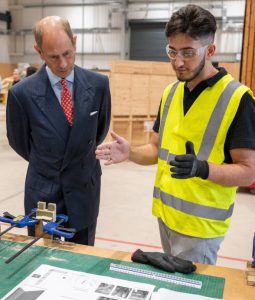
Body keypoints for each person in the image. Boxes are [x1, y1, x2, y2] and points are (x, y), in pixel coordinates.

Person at [96, 4, 255, 264]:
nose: (178, 62)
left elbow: (249, 171)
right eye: (172, 51)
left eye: (188, 53)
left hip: (201, 227)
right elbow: (157, 149)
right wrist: (131, 153)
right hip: (166, 217)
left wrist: (203, 169)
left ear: (210, 50)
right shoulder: (172, 93)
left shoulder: (237, 99)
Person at [6, 16, 111, 245]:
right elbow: (20, 142)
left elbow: (98, 131)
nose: (63, 63)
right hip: (44, 192)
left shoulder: (99, 85)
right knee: (40, 263)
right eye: (53, 57)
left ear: (74, 42)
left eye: (67, 53)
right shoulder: (21, 94)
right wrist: (50, 160)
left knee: (83, 260)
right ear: (39, 52)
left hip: (84, 188)